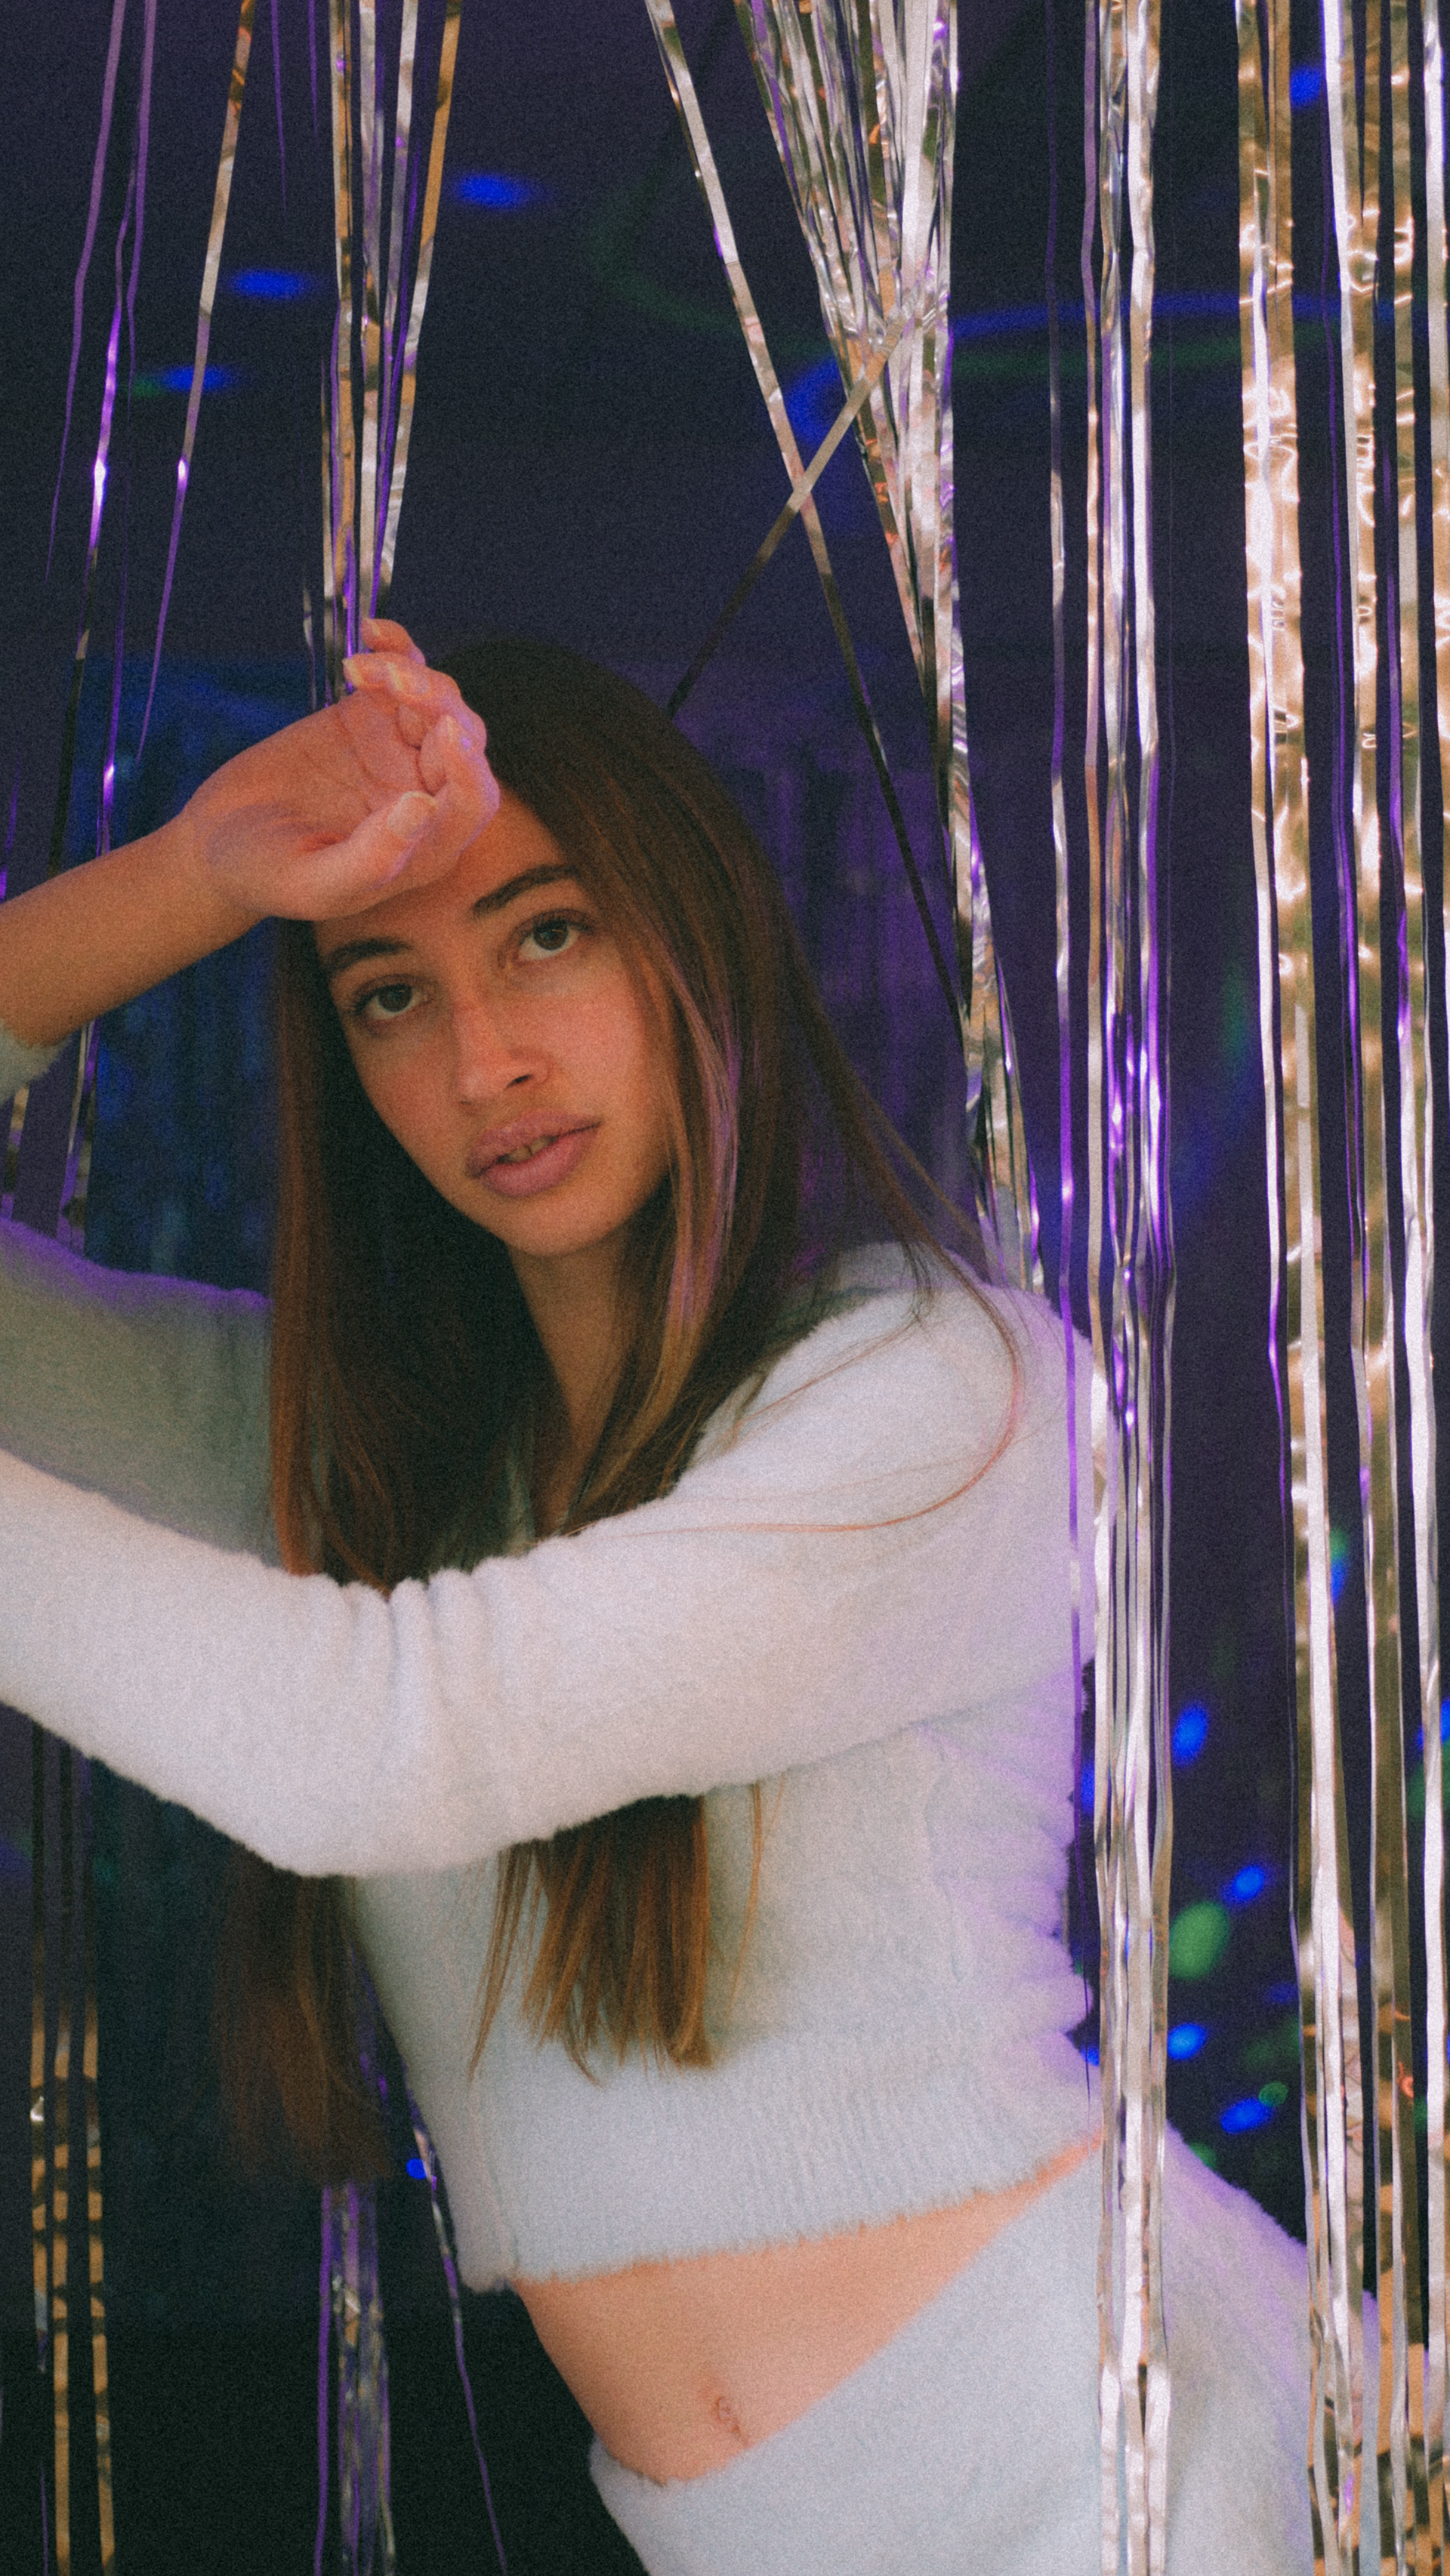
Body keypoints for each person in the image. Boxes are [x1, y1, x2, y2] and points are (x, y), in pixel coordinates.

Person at [0, 621, 1340, 2572]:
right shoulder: (356, 1464)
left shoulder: (943, 1387)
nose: (485, 1060)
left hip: (1134, 2470)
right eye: (390, 992)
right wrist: (195, 873)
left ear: (692, 932)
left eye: (549, 934)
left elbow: (382, 1743)